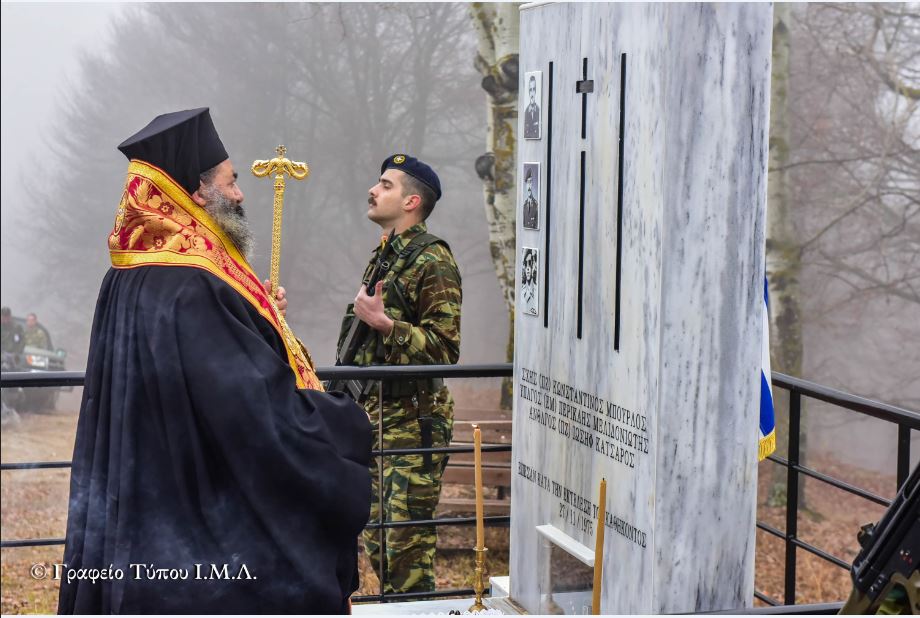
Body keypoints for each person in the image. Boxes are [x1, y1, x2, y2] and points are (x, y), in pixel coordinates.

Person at [58, 108, 372, 614]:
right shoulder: (192, 283)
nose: (241, 194)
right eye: (232, 181)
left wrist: (261, 318)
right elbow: (250, 408)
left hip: (142, 478)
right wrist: (336, 421)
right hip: (196, 502)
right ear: (198, 191)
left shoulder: (130, 270)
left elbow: (205, 359)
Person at [336, 154, 462, 594]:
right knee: (377, 541)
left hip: (412, 424)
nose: (373, 190)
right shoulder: (387, 256)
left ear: (412, 201)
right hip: (377, 420)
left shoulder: (432, 260)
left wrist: (386, 324)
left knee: (406, 553)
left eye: (385, 185)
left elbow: (446, 350)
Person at [521, 251, 538, 315]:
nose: (527, 269)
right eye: (526, 264)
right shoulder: (523, 290)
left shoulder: (535, 288)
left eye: (530, 264)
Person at [524, 74, 541, 138]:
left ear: (536, 91)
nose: (532, 93)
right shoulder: (526, 111)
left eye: (534, 89)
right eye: (530, 90)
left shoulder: (539, 110)